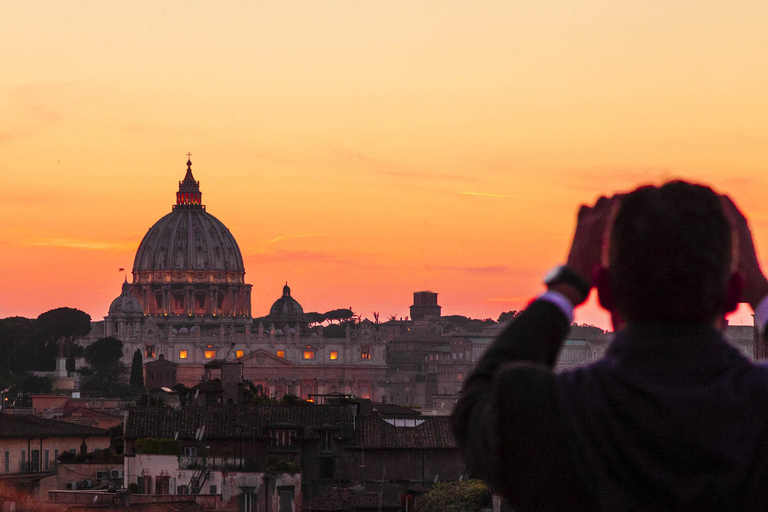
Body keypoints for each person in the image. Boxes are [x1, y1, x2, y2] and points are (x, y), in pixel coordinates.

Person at [452, 181, 768, 511]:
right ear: (734, 293)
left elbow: (476, 403)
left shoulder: (549, 417)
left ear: (603, 290)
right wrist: (761, 292)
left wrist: (567, 286)